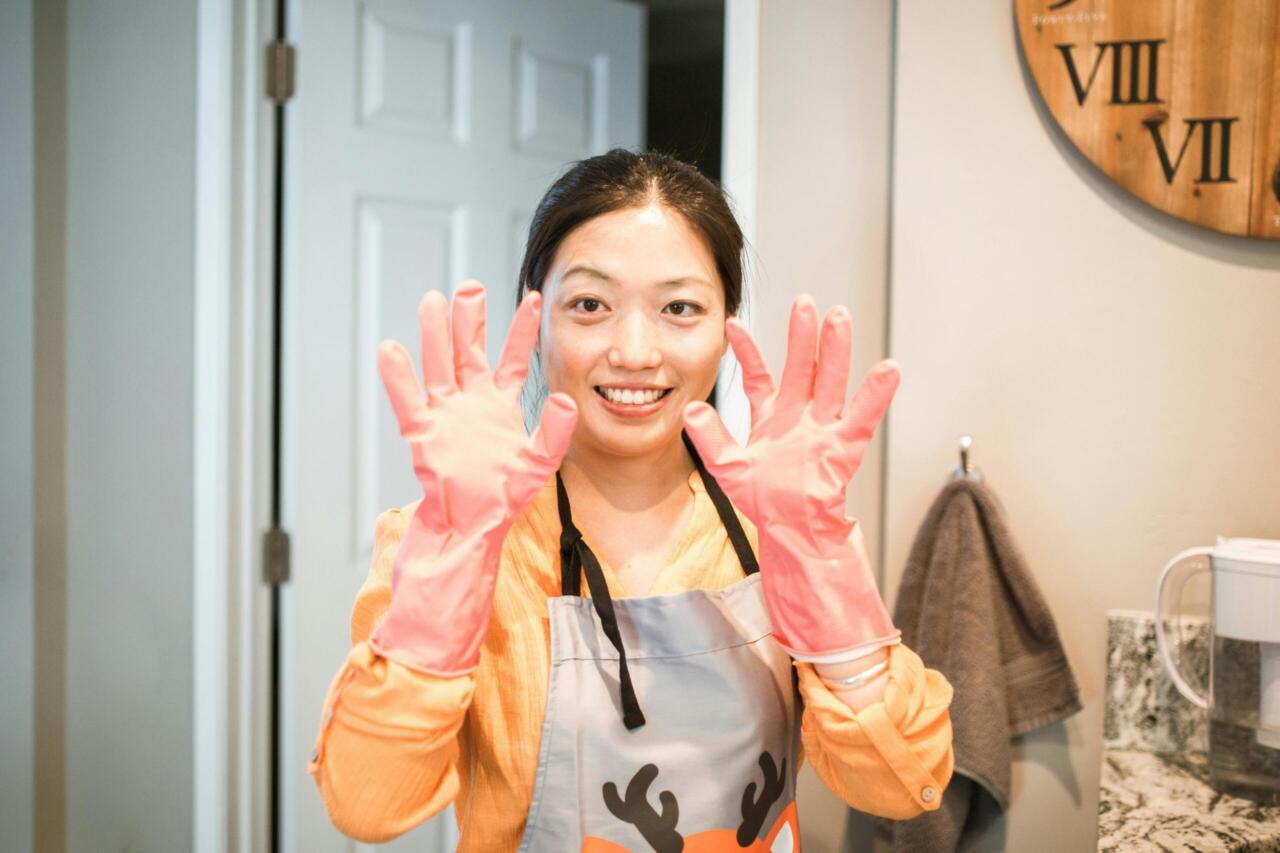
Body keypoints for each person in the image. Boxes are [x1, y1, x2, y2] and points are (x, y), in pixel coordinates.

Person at [309, 149, 954, 851]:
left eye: (680, 307)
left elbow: (902, 784)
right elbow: (366, 805)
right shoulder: (446, 539)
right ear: (539, 318)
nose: (636, 351)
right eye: (590, 305)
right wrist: (458, 553)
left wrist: (819, 562)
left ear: (727, 328)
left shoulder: (779, 526)